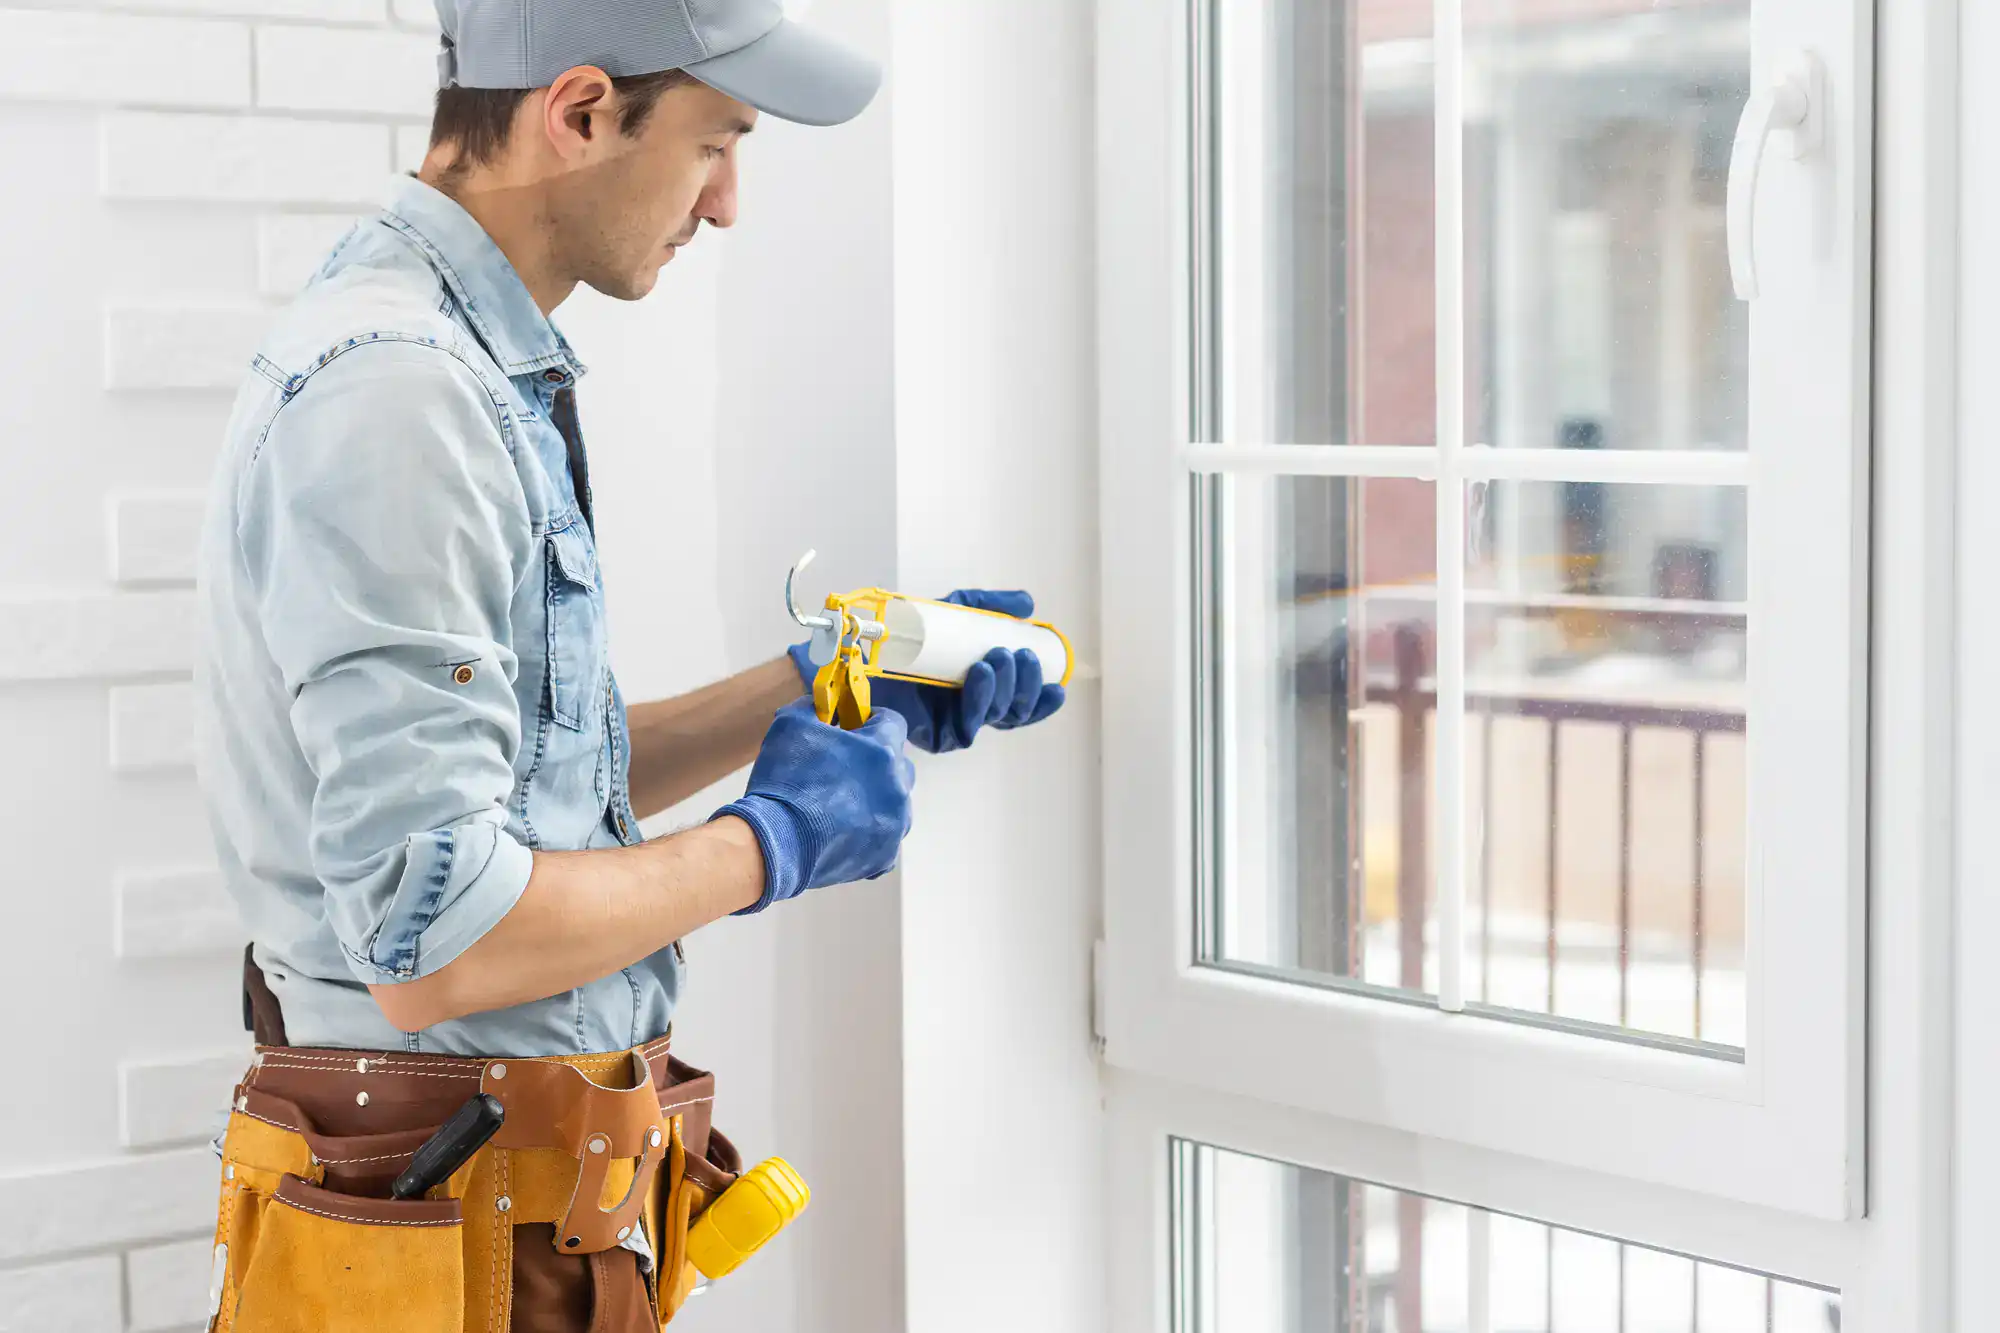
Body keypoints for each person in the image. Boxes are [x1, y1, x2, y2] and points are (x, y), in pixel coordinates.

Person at [189, 1, 1063, 1326]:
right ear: (580, 110)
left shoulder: (455, 362)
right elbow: (439, 937)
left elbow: (528, 792)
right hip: (458, 1242)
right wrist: (767, 844)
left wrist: (819, 678)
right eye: (716, 144)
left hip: (498, 1220)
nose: (726, 207)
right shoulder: (402, 398)